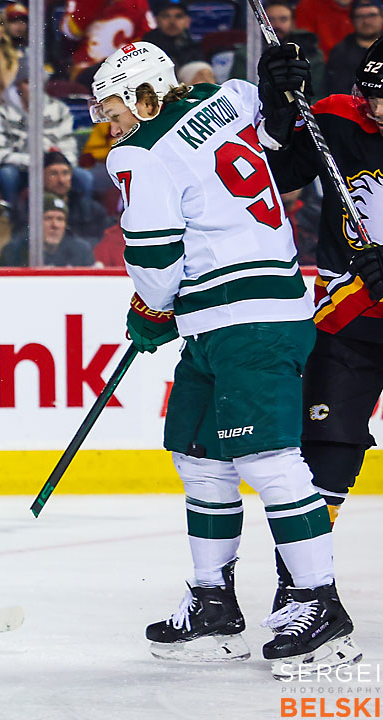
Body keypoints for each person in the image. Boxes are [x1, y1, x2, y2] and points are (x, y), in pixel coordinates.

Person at [90, 40, 358, 674]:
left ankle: (321, 605)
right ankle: (213, 604)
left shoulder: (138, 153)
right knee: (199, 453)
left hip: (247, 320)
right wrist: (277, 90)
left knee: (269, 460)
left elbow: (155, 258)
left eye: (111, 107)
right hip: (234, 316)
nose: (107, 123)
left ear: (142, 96)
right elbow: (275, 132)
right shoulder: (230, 96)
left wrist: (152, 307)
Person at [264, 36, 383, 611]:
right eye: (371, 95)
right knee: (326, 455)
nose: (377, 109)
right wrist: (278, 107)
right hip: (348, 320)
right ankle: (301, 590)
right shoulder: (337, 116)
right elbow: (274, 176)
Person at [0, 65, 78, 210]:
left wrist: (57, 164)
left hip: (51, 165)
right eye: (28, 82)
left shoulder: (59, 109)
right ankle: (11, 215)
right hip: (17, 167)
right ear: (18, 85)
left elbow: (69, 150)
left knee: (83, 178)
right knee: (8, 175)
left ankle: (71, 217)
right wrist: (34, 162)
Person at [0, 193, 94, 266]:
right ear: (34, 223)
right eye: (48, 218)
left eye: (60, 219)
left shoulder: (81, 251)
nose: (55, 225)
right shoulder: (14, 252)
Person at [42, 151, 108, 246]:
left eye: (65, 173)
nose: (61, 180)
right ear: (42, 177)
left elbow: (102, 241)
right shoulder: (30, 208)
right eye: (53, 174)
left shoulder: (91, 209)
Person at [325, 0, 383, 95]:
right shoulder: (340, 52)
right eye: (360, 17)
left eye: (372, 15)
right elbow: (339, 89)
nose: (366, 21)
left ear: (381, 17)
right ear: (352, 20)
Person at [141, 0, 204, 69]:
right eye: (166, 16)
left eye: (178, 16)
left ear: (187, 21)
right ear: (156, 20)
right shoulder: (147, 45)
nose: (172, 22)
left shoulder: (193, 44)